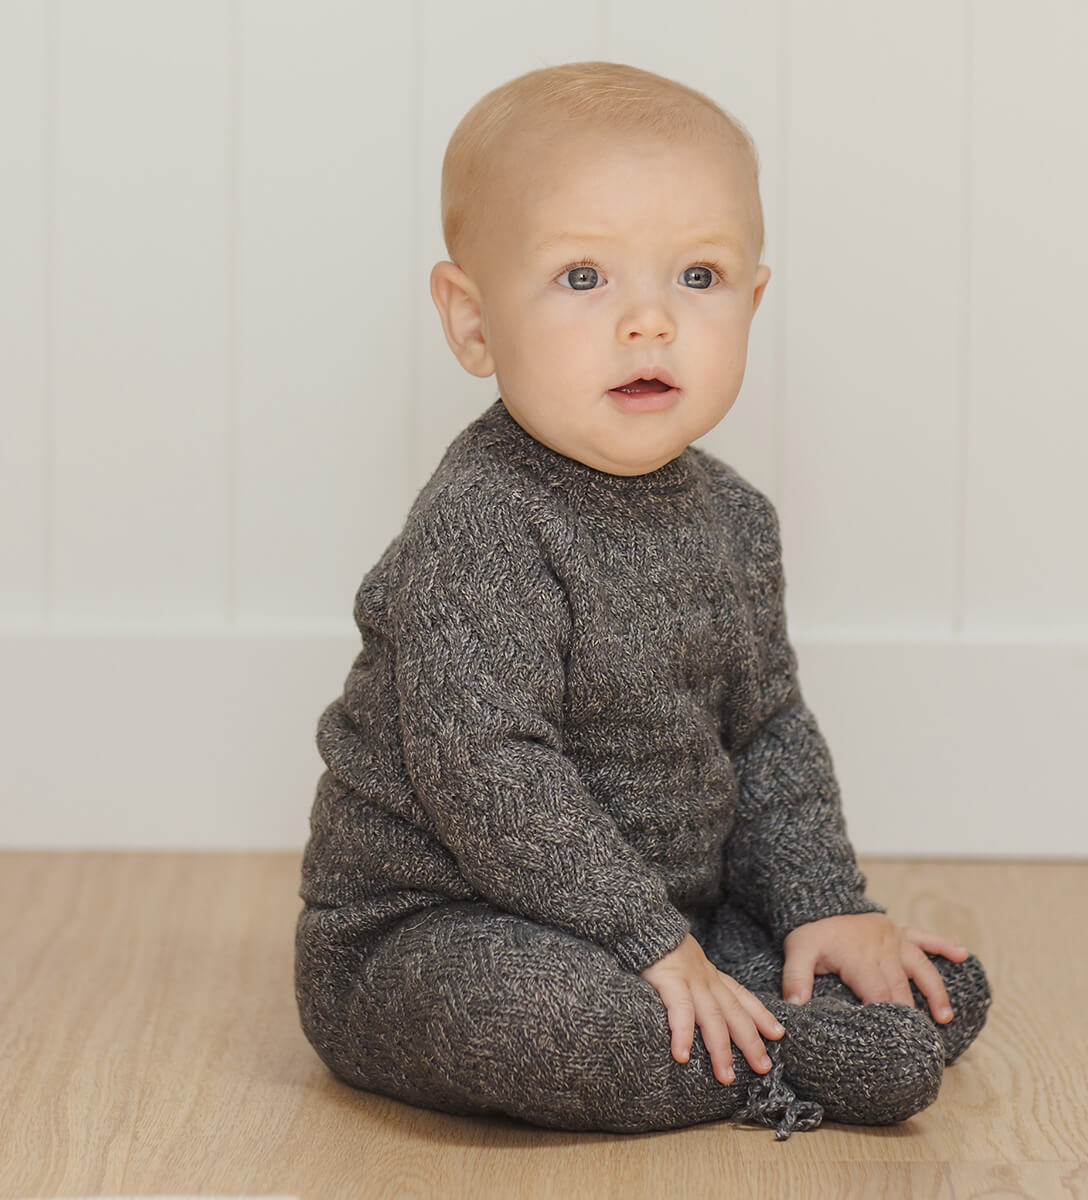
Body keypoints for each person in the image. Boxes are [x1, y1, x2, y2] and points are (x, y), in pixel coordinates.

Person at [294, 61, 991, 1140]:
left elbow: (767, 735)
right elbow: (488, 774)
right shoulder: (482, 524)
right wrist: (647, 942)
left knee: (925, 979)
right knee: (543, 1018)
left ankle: (761, 1007)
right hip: (441, 928)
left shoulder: (735, 518)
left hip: (668, 917)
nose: (651, 321)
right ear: (473, 322)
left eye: (699, 276)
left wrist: (825, 903)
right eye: (584, 277)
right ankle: (776, 1054)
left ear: (753, 301)